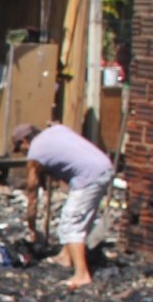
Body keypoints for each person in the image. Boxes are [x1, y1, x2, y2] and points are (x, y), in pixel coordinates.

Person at [13, 121, 115, 288]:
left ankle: (81, 274)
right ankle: (65, 256)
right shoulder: (56, 130)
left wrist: (31, 226)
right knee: (79, 216)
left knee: (72, 223)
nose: (23, 153)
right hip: (103, 167)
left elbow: (32, 194)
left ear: (24, 141)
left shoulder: (35, 152)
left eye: (20, 149)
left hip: (89, 176)